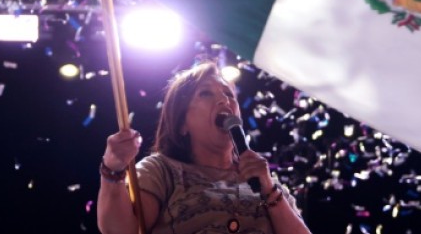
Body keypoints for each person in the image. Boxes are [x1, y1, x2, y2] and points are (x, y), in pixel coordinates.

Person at [97, 61, 313, 234]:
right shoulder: (161, 171)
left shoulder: (265, 181)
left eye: (228, 93)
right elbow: (121, 231)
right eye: (206, 93)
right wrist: (112, 169)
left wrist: (269, 191)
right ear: (182, 124)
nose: (223, 100)